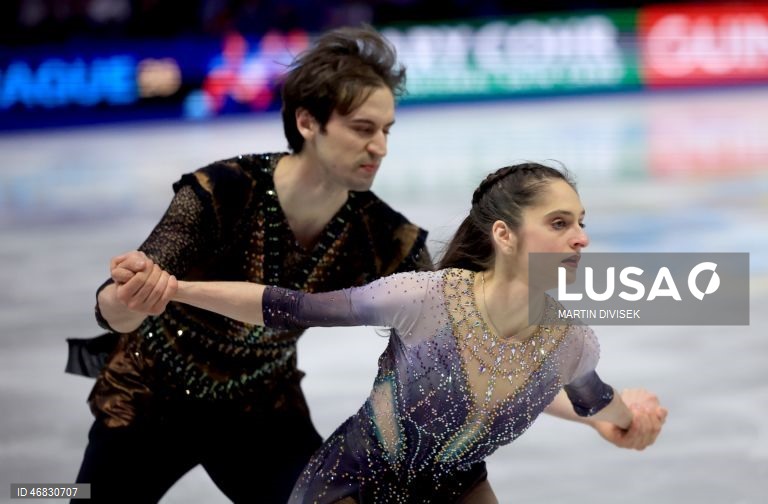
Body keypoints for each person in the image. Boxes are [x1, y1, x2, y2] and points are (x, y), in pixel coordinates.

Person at [128, 162, 668, 503]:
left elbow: (595, 400)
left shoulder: (568, 341)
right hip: (353, 484)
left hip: (456, 487)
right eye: (559, 224)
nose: (582, 240)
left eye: (580, 222)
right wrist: (173, 289)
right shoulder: (425, 300)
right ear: (504, 235)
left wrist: (625, 420)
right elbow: (291, 306)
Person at [69, 26, 433, 503]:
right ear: (307, 122)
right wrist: (130, 297)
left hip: (260, 408)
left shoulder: (383, 235)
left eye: (386, 130)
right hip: (153, 394)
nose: (380, 147)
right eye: (363, 128)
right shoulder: (223, 190)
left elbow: (453, 316)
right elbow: (113, 307)